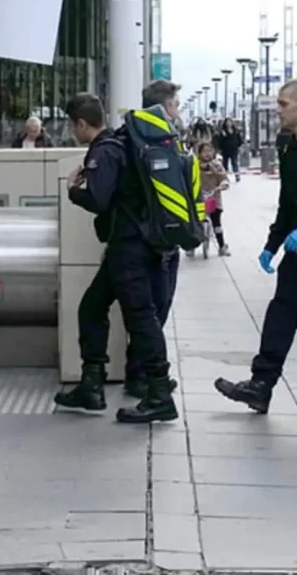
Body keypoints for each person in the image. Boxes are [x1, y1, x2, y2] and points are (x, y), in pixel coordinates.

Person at [53, 93, 177, 424]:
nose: (72, 132)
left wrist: (73, 189)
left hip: (129, 247)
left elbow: (98, 198)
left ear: (81, 123)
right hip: (136, 243)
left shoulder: (105, 150)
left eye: (72, 125)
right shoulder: (121, 145)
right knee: (92, 307)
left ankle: (160, 393)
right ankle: (91, 385)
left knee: (140, 317)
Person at [215, 80, 297, 413]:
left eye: (283, 104)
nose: (278, 109)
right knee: (282, 312)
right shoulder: (287, 143)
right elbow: (288, 202)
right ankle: (260, 385)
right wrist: (272, 243)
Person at [122, 80, 182, 399]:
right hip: (152, 241)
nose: (177, 111)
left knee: (155, 310)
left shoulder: (162, 140)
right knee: (149, 312)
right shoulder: (137, 141)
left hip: (161, 239)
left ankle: (146, 373)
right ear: (163, 107)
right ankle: (143, 376)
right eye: (175, 105)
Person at [186, 142, 230, 257]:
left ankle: (222, 246)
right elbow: (188, 179)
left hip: (213, 198)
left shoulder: (217, 165)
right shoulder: (194, 165)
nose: (207, 153)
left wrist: (223, 184)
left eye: (210, 151)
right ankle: (191, 246)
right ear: (199, 153)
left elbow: (223, 178)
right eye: (204, 151)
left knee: (217, 224)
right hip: (198, 199)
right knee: (194, 222)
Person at [217, 117, 242, 182]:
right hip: (225, 150)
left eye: (230, 122)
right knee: (225, 163)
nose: (228, 123)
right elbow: (220, 140)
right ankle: (225, 177)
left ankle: (237, 176)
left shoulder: (235, 131)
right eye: (227, 122)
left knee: (234, 162)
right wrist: (220, 149)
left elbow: (239, 139)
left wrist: (238, 146)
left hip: (234, 149)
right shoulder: (223, 131)